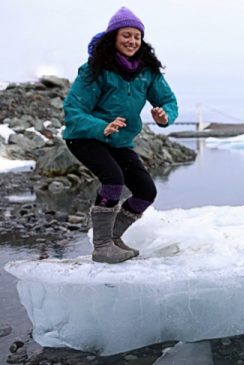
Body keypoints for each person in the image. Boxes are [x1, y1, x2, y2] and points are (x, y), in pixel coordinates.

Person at [63, 7, 178, 264]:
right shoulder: (95, 68)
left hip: (119, 140)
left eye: (137, 36)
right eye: (126, 35)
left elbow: (168, 100)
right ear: (114, 36)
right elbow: (73, 110)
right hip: (84, 136)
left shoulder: (148, 71)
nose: (132, 41)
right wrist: (100, 126)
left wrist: (165, 116)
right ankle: (102, 247)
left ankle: (112, 239)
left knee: (145, 192)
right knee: (113, 178)